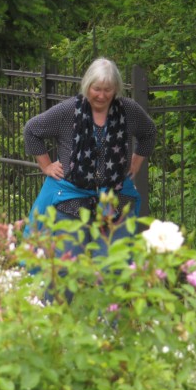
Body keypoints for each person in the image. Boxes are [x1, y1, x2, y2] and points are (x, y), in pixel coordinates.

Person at [23, 57, 157, 258]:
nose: (102, 95)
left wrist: (135, 165)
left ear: (116, 89)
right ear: (87, 86)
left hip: (115, 201)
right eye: (97, 89)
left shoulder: (128, 110)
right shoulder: (68, 111)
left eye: (108, 90)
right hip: (71, 199)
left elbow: (149, 133)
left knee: (112, 268)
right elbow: (31, 130)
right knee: (66, 269)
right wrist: (47, 166)